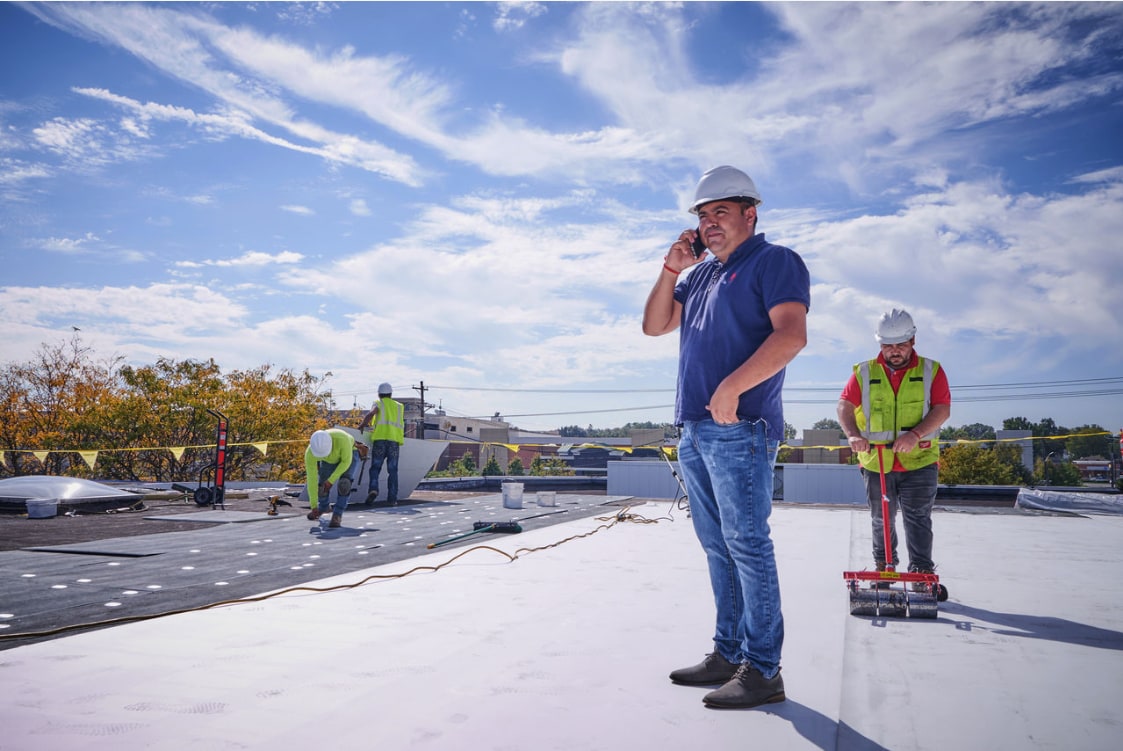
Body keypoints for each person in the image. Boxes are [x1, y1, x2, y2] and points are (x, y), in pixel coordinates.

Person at [642, 165, 810, 710]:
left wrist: (733, 388)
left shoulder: (774, 261)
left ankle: (763, 669)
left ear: (750, 213)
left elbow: (792, 335)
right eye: (703, 216)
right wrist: (671, 267)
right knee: (718, 547)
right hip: (694, 429)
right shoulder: (700, 276)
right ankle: (728, 651)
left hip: (739, 428)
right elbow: (653, 324)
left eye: (721, 212)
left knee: (747, 545)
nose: (711, 223)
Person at [836, 308, 951, 581]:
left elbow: (942, 409)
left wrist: (916, 434)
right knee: (881, 518)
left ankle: (922, 571)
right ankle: (884, 566)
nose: (894, 351)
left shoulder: (931, 371)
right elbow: (844, 406)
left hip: (920, 461)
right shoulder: (864, 372)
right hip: (877, 462)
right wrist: (853, 435)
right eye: (888, 346)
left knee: (918, 517)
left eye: (900, 345)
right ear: (880, 344)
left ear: (913, 341)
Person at [359, 382, 406, 506]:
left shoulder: (378, 403)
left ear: (379, 394)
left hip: (380, 440)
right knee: (393, 471)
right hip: (394, 441)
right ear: (391, 394)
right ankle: (392, 499)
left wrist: (362, 425)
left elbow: (371, 414)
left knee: (375, 468)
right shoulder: (399, 406)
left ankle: (373, 489)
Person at [304, 428, 360, 528]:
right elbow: (312, 479)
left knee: (345, 484)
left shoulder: (342, 439)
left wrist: (331, 480)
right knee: (322, 487)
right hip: (328, 461)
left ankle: (337, 515)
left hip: (350, 454)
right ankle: (323, 507)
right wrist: (313, 505)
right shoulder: (310, 453)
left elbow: (345, 462)